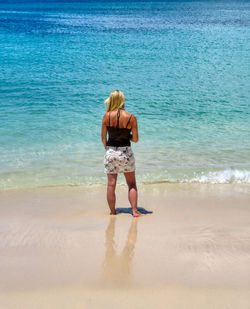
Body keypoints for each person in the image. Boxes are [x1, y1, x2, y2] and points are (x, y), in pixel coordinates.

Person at [101, 90, 142, 217]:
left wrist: (109, 149)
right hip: (125, 152)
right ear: (122, 101)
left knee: (111, 184)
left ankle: (113, 212)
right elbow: (135, 139)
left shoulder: (106, 116)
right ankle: (134, 211)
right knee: (131, 184)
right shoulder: (131, 117)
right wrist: (128, 137)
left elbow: (103, 138)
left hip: (111, 151)